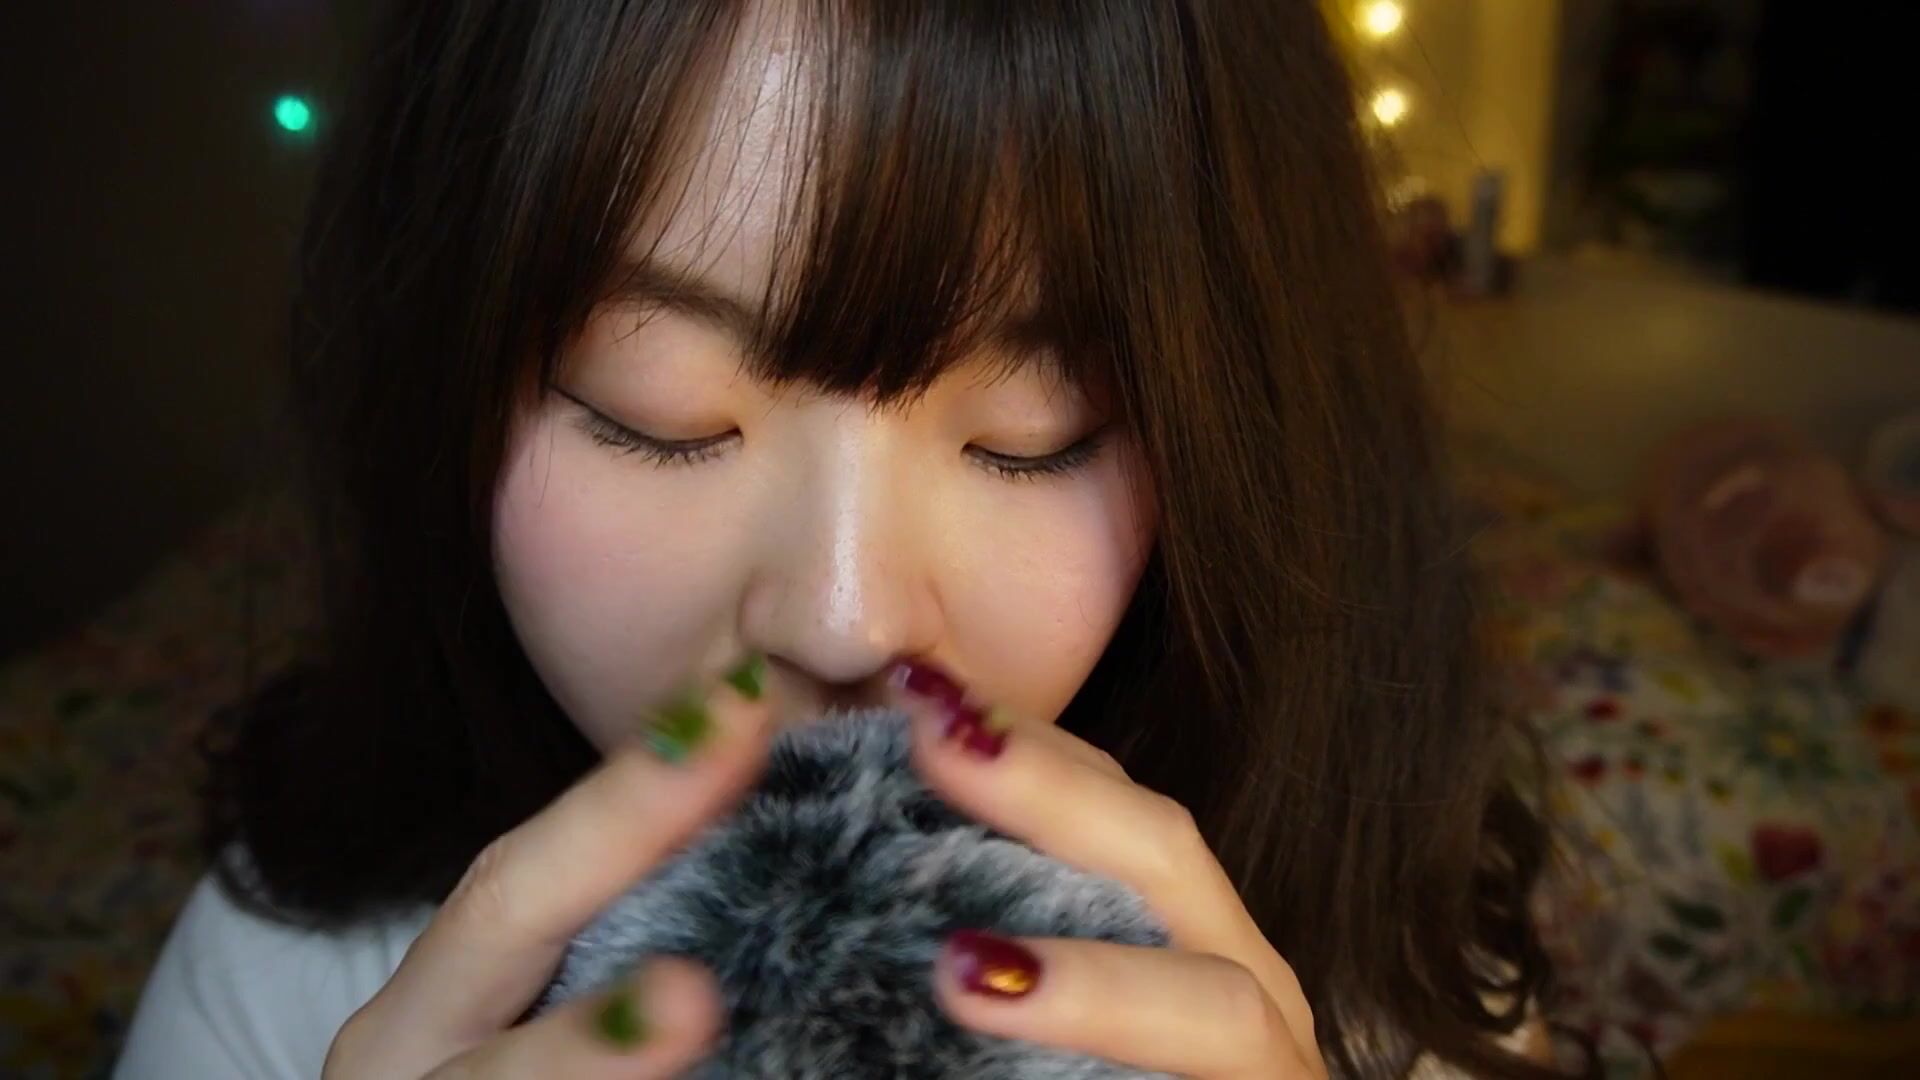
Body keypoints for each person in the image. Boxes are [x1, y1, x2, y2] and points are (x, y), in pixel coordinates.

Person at [116, 1, 1571, 1076]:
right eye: (655, 404)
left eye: (1037, 428)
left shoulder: (1393, 991)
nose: (845, 614)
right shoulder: (291, 984)